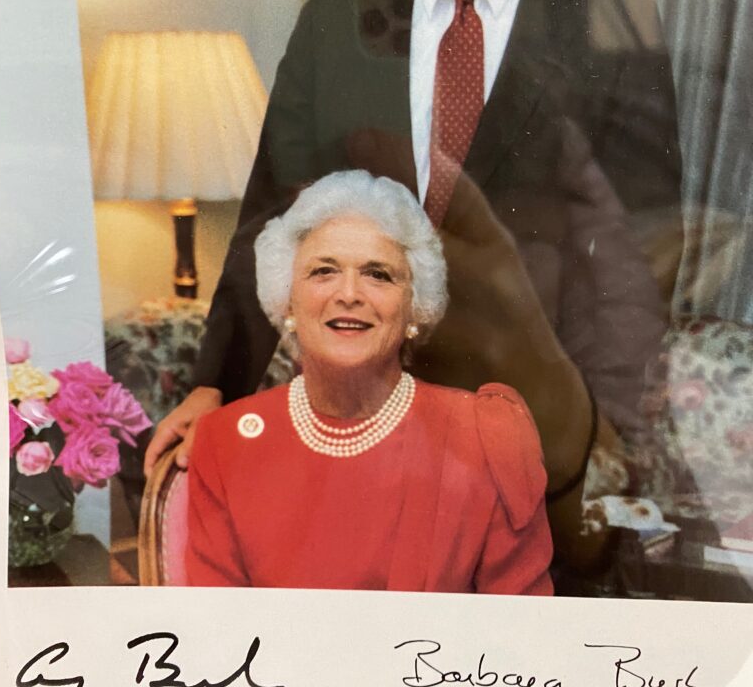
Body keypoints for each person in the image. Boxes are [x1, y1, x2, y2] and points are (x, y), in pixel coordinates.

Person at [147, 0, 682, 572]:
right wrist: (217, 378)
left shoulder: (615, 29)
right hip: (352, 442)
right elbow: (266, 220)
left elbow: (640, 264)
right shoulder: (335, 22)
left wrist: (591, 437)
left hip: (529, 465)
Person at [186, 170, 553, 593]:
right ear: (287, 300)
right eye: (323, 271)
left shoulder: (487, 436)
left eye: (378, 274)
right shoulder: (223, 443)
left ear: (414, 307)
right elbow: (217, 634)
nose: (349, 294)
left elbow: (521, 633)